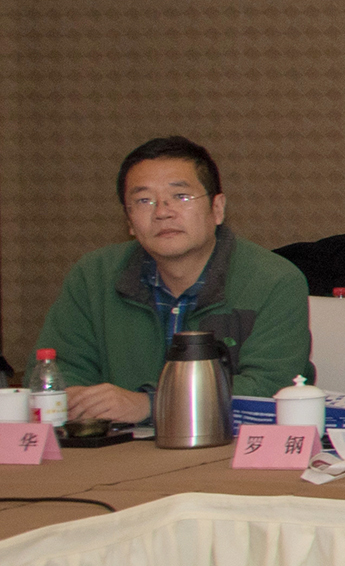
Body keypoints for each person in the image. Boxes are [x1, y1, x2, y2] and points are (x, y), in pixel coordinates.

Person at [40, 137, 313, 421]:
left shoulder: (273, 280)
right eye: (144, 201)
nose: (162, 212)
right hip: (117, 442)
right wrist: (72, 399)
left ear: (217, 208)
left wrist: (150, 405)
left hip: (225, 443)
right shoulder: (93, 276)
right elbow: (56, 371)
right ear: (129, 221)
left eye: (181, 197)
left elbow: (271, 388)